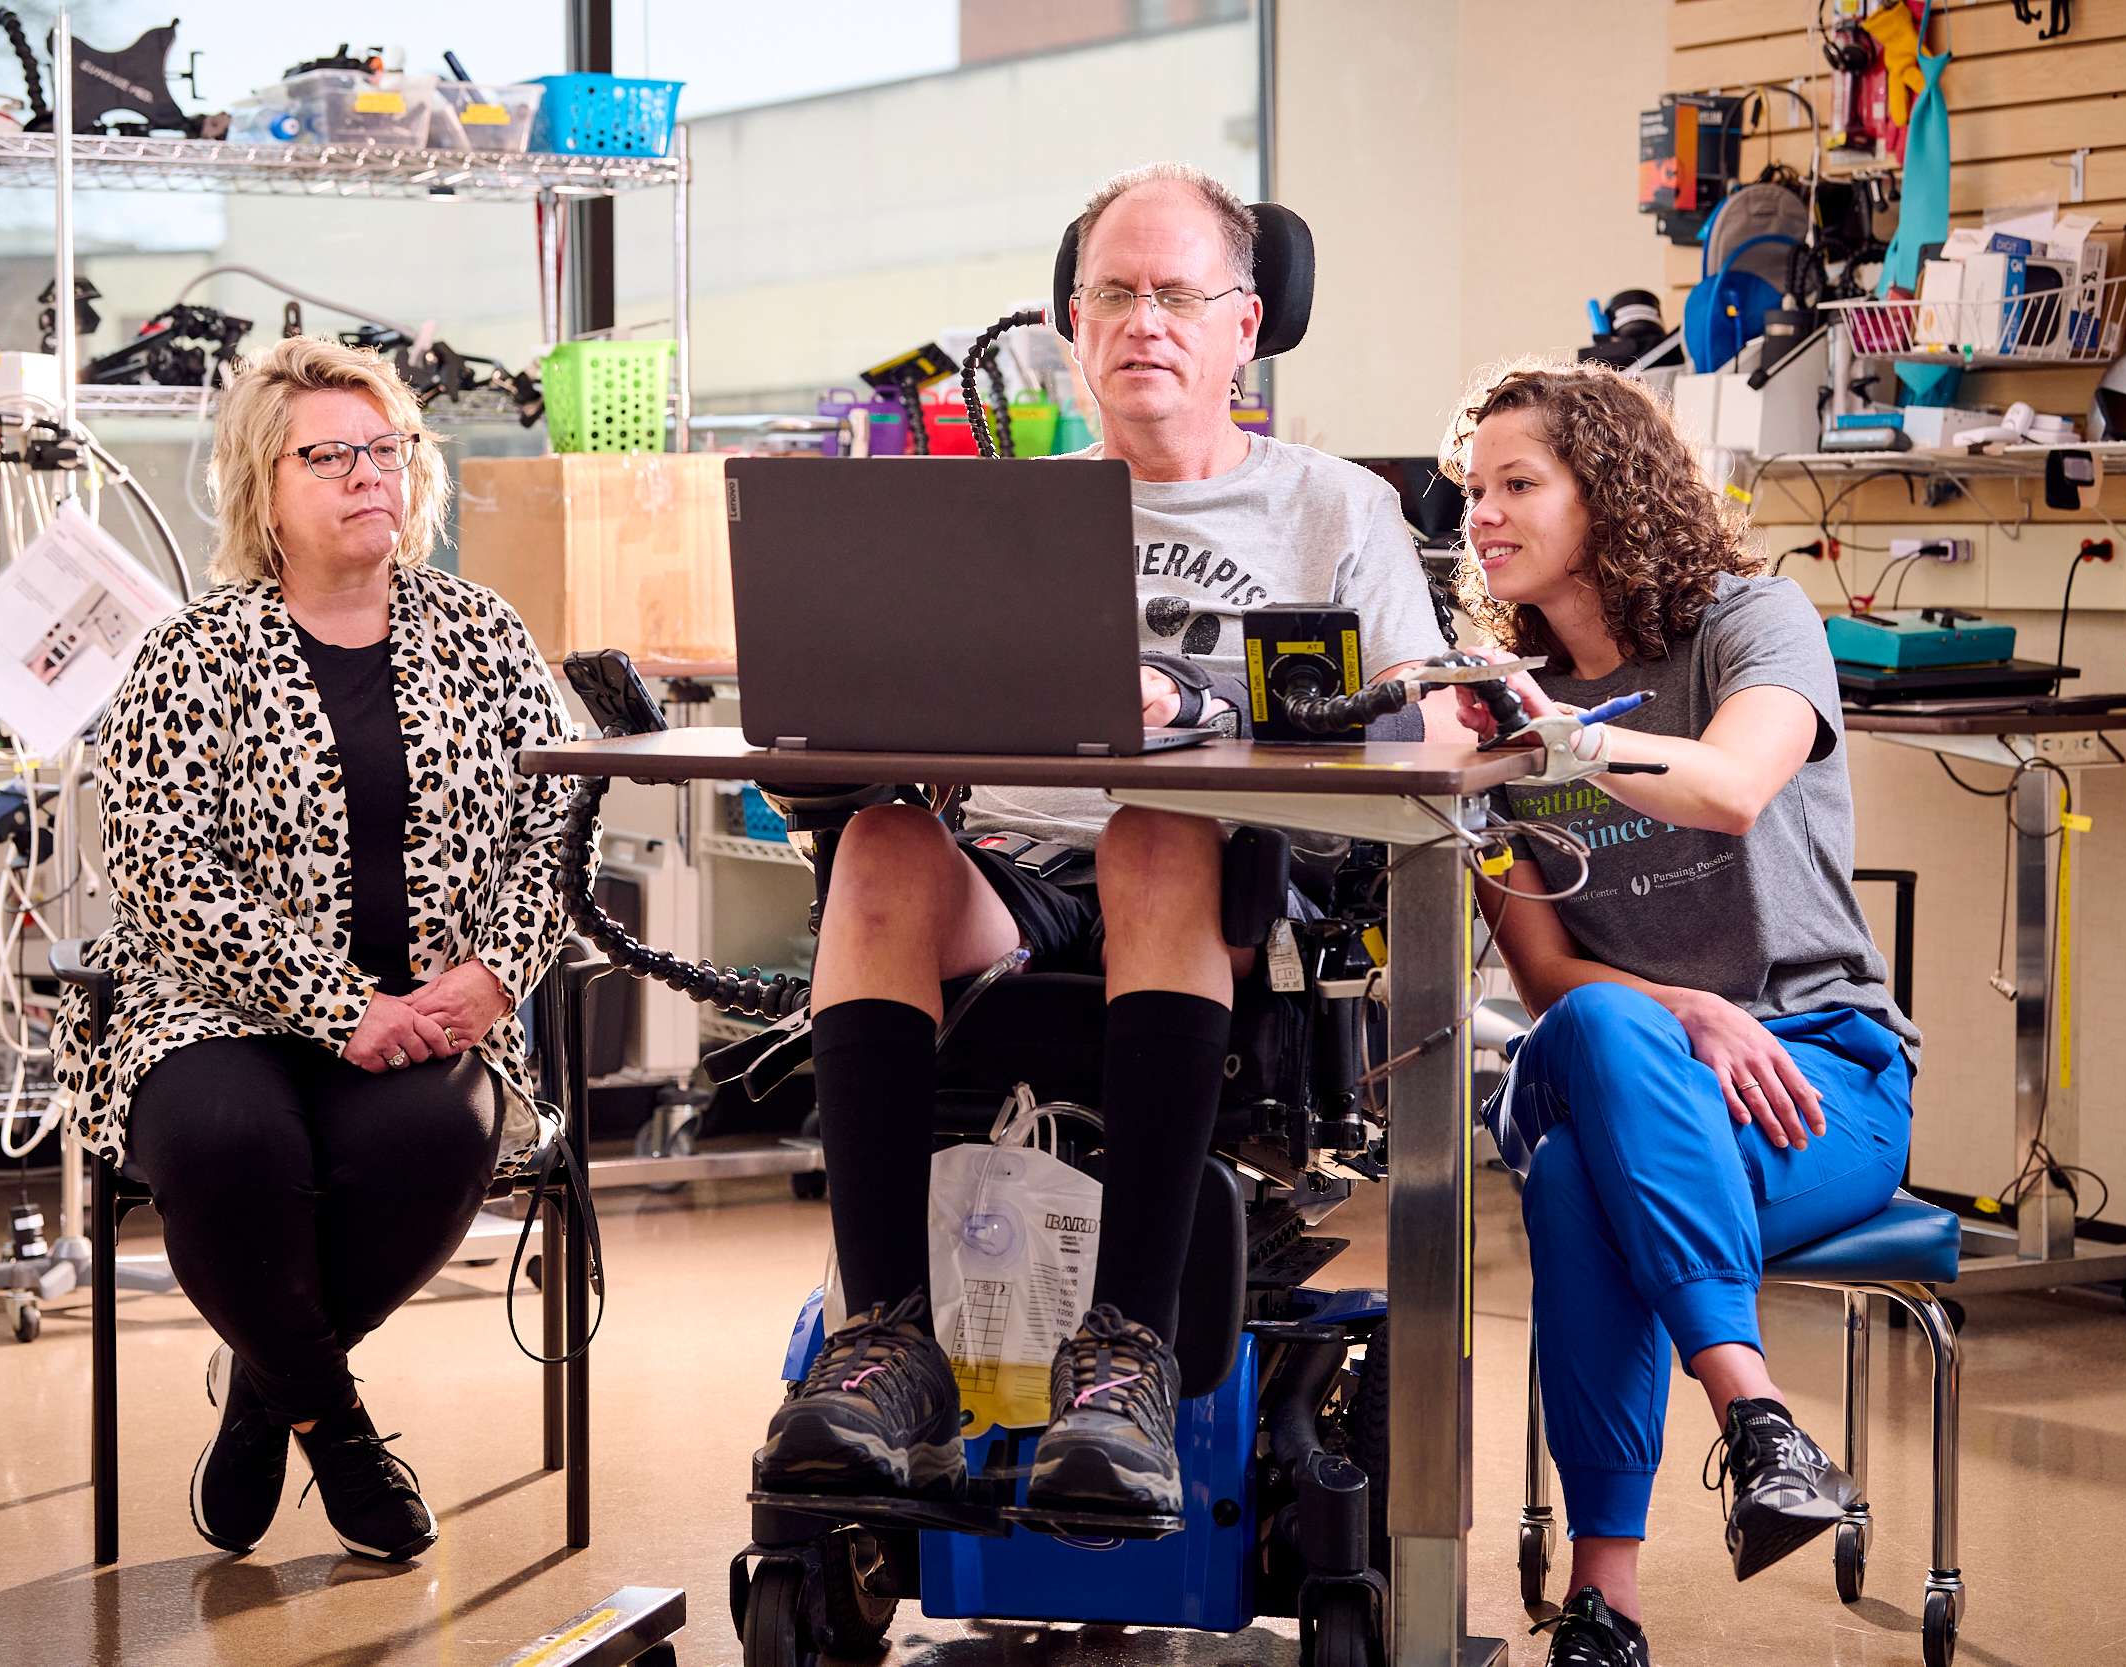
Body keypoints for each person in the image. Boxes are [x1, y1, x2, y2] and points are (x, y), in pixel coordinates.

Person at [753, 162, 1459, 1517]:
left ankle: (1124, 1348)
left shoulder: (1334, 510)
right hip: (1021, 874)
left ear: (1244, 325)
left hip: (1234, 881)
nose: (1146, 321)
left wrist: (1200, 711)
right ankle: (887, 1336)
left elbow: (1424, 725)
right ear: (1074, 326)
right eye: (1115, 294)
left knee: (1154, 826)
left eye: (1178, 294)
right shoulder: (1010, 518)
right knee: (887, 846)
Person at [54, 335, 588, 1564]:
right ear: (264, 487)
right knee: (233, 1146)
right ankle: (338, 1430)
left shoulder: (483, 632)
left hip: (432, 1013)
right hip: (213, 1012)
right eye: (329, 455)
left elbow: (556, 822)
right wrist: (331, 998)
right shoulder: (196, 650)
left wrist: (495, 970)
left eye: (385, 449)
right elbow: (156, 860)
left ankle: (265, 1390)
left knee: (437, 1141)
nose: (367, 476)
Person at [1446, 362, 1920, 1667]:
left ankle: (1611, 1605)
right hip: (1636, 1058)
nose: (1483, 513)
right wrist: (1682, 1008)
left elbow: (1731, 786)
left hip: (1823, 1082)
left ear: (1609, 488)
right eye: (1472, 489)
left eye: (1518, 483)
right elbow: (1543, 970)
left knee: (1575, 1182)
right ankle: (1760, 1423)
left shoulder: (1753, 622)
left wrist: (1564, 735)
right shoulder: (1495, 714)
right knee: (1592, 1033)